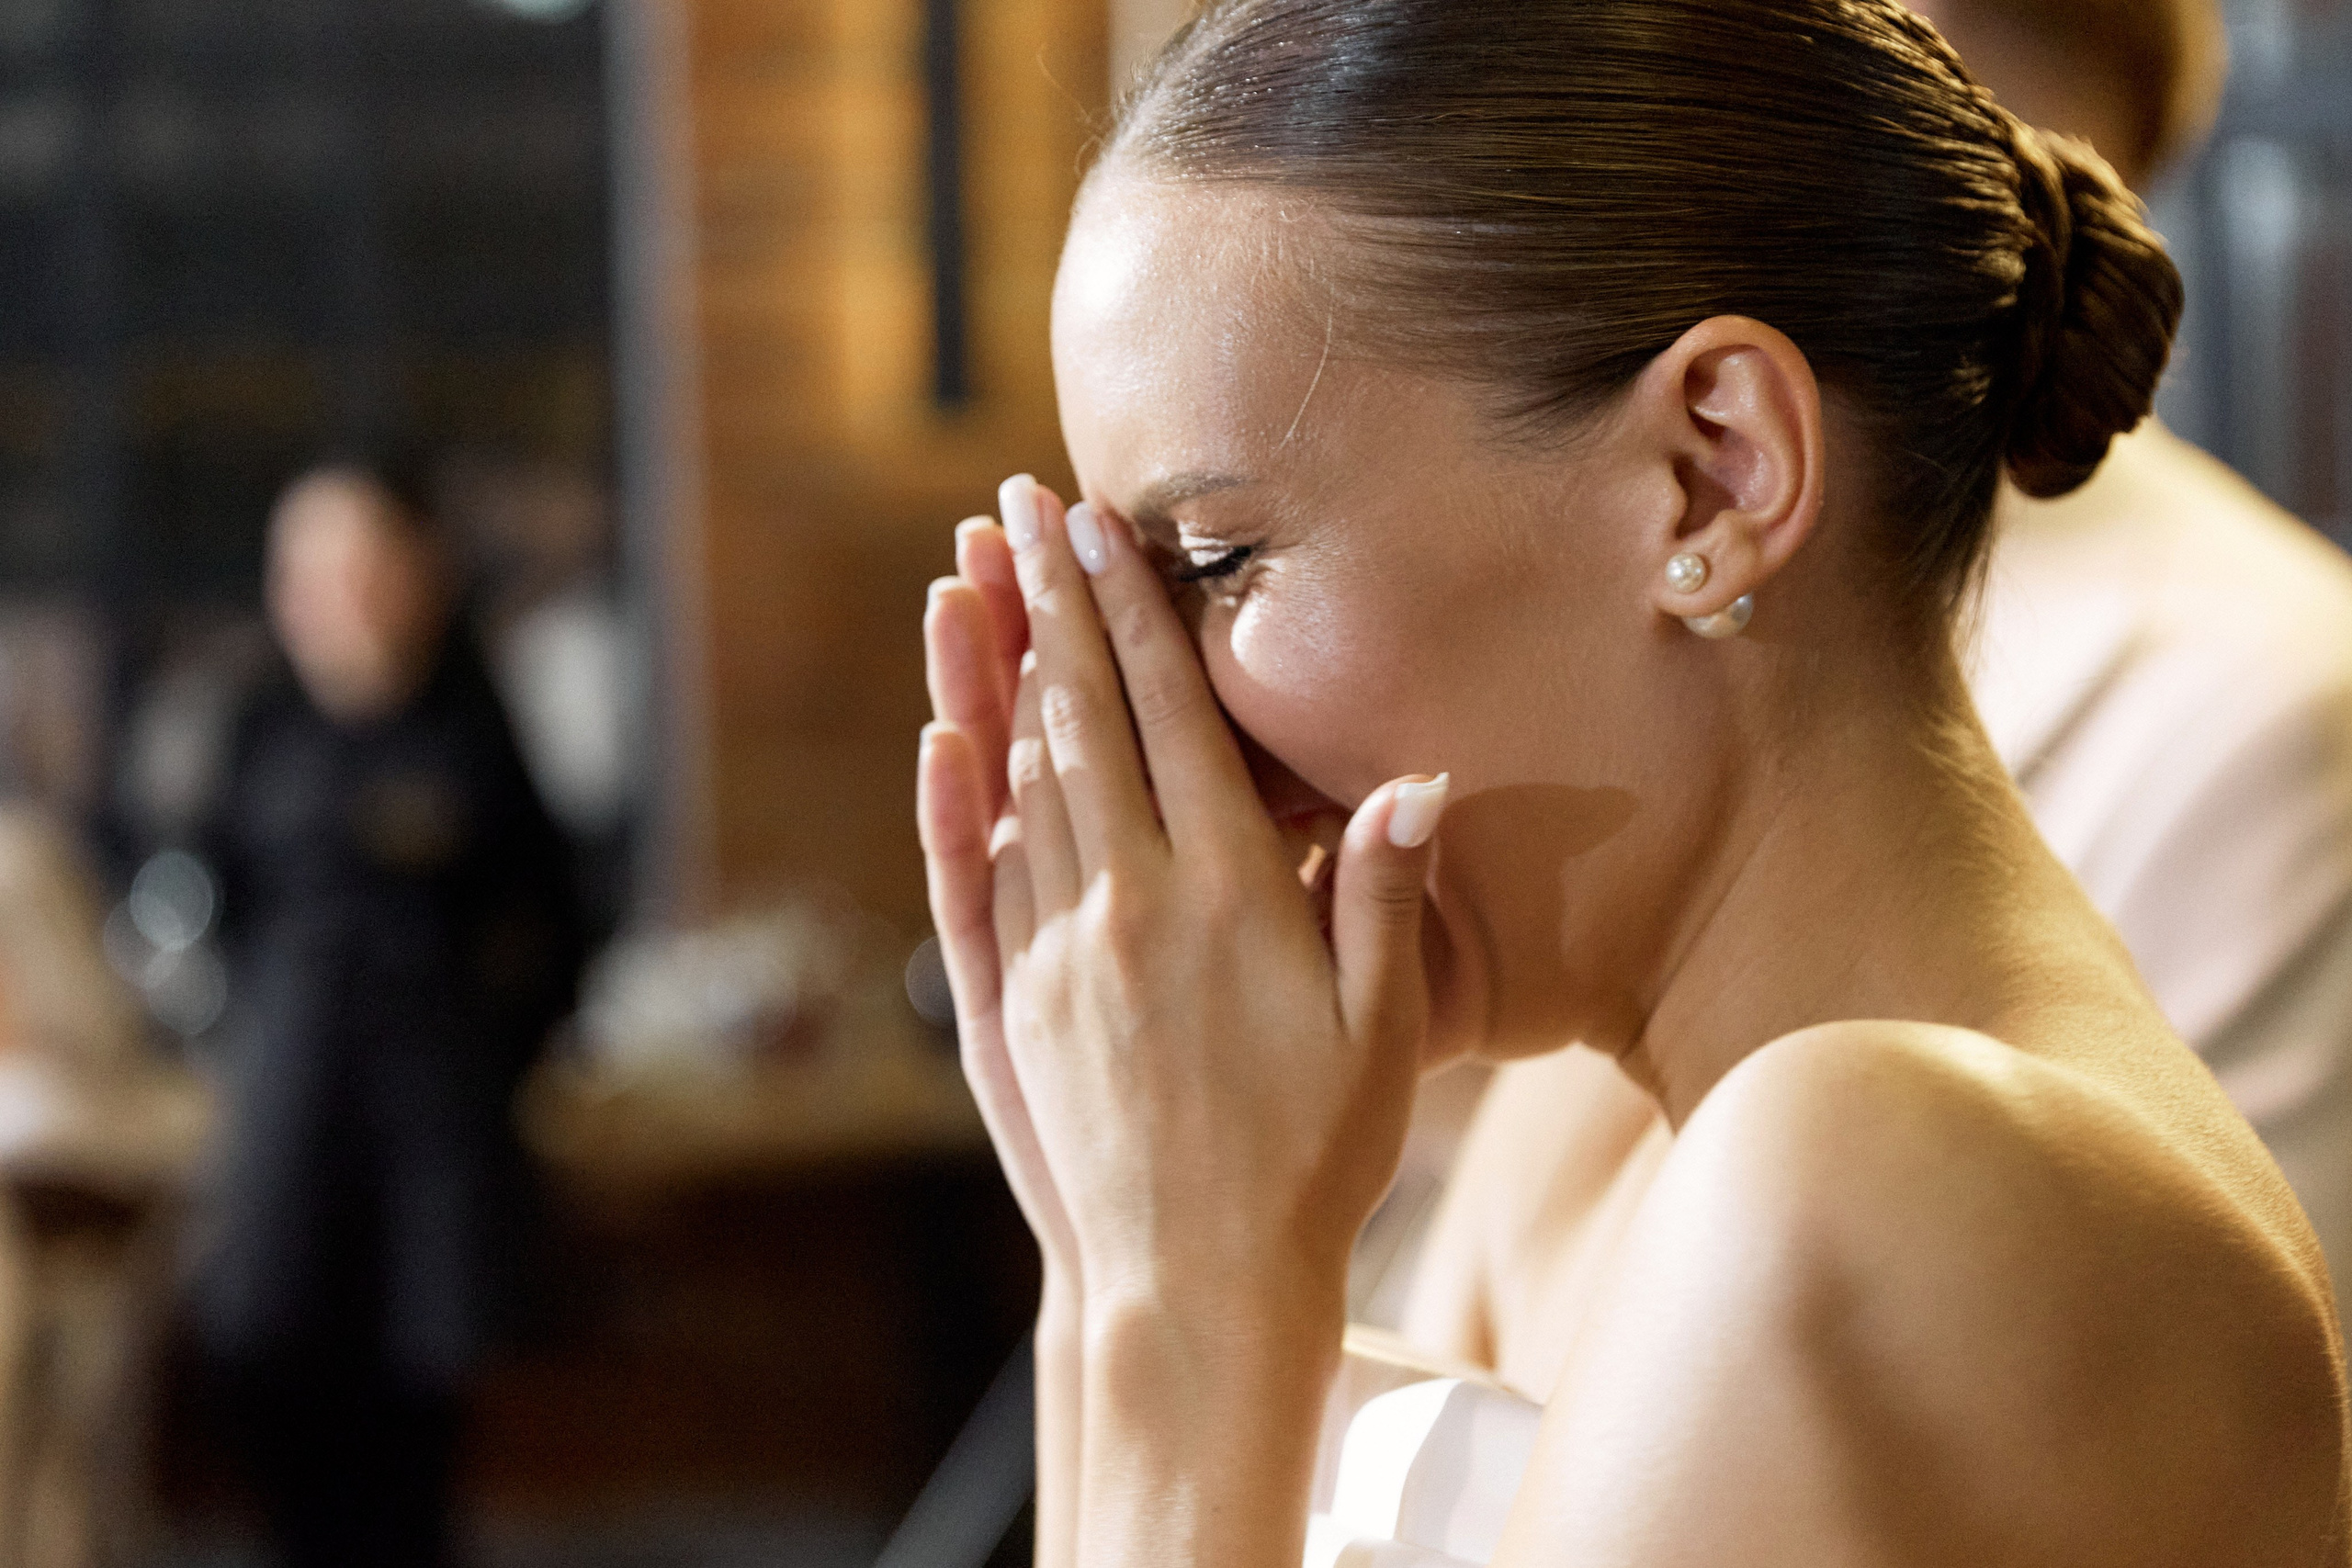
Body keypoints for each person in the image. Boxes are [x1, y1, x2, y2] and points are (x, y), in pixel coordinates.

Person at [914, 2, 2347, 1564]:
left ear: (1712, 472)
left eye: (1213, 560)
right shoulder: (1585, 1138)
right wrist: (1105, 1230)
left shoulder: (1882, 1186)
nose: (1161, 714)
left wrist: (1171, 1294)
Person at [195, 457, 583, 1568]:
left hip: (433, 1159)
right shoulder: (255, 728)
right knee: (275, 1425)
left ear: (422, 573)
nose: (330, 596)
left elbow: (556, 930)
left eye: (357, 567)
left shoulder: (475, 730)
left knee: (415, 1467)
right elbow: (210, 917)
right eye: (303, 572)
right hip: (287, 1147)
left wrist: (492, 1068)